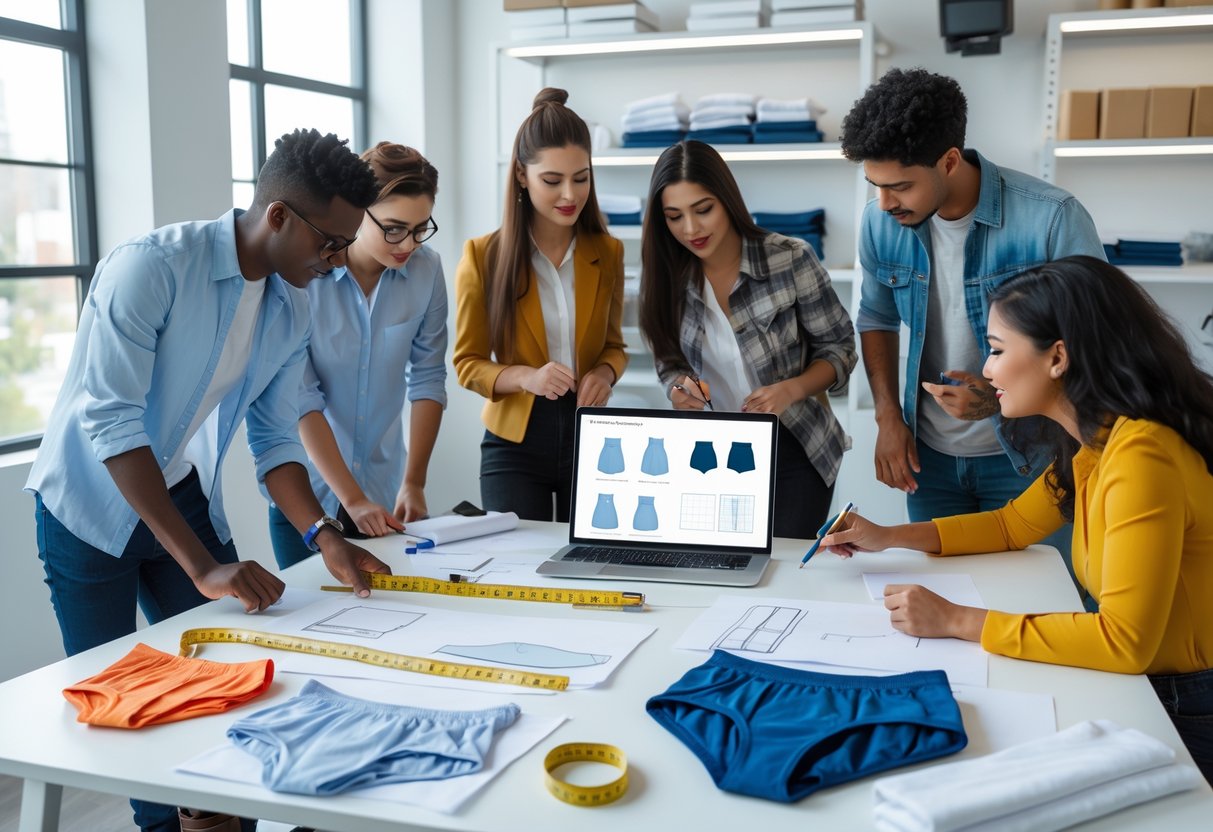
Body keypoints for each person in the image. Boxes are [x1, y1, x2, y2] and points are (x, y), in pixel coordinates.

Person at [25, 128, 392, 832]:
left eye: (346, 245)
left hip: (177, 490)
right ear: (278, 215)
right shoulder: (152, 268)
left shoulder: (296, 299)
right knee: (124, 709)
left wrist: (324, 535)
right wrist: (202, 566)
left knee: (227, 690)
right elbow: (111, 425)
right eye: (330, 244)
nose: (338, 262)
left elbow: (276, 435)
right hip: (85, 507)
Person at [821, 256, 1213, 783]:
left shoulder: (1142, 454)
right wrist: (887, 536)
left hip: (1189, 700)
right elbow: (1010, 526)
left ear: (1058, 358)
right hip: (1160, 686)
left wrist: (958, 621)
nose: (986, 369)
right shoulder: (1098, 440)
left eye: (998, 350)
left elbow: (1124, 640)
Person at [839, 68, 1105, 588]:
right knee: (941, 605)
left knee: (1041, 598)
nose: (886, 203)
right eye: (876, 186)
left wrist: (1000, 396)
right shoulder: (880, 223)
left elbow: (1096, 344)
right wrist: (889, 419)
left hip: (1034, 456)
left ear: (950, 160)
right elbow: (875, 318)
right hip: (929, 461)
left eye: (900, 186)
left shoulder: (1051, 218)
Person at [639, 140, 857, 537]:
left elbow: (840, 349)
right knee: (723, 568)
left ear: (727, 199)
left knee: (786, 571)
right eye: (674, 216)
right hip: (710, 452)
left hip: (797, 445)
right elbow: (669, 361)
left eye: (703, 209)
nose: (691, 229)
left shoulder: (789, 258)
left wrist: (790, 390)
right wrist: (677, 389)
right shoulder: (665, 276)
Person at [266, 142, 448, 569]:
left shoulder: (427, 272)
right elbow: (302, 400)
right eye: (393, 227)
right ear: (357, 212)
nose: (409, 243)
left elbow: (427, 379)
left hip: (386, 493)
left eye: (421, 228)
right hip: (307, 498)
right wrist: (351, 499)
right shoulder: (305, 275)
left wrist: (414, 483)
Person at [454, 87, 627, 521]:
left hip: (591, 436)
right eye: (552, 181)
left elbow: (614, 346)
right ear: (520, 175)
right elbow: (468, 364)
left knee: (590, 565)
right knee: (516, 572)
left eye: (582, 177)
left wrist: (605, 374)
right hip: (514, 441)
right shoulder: (482, 256)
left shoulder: (608, 253)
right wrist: (527, 377)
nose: (570, 194)